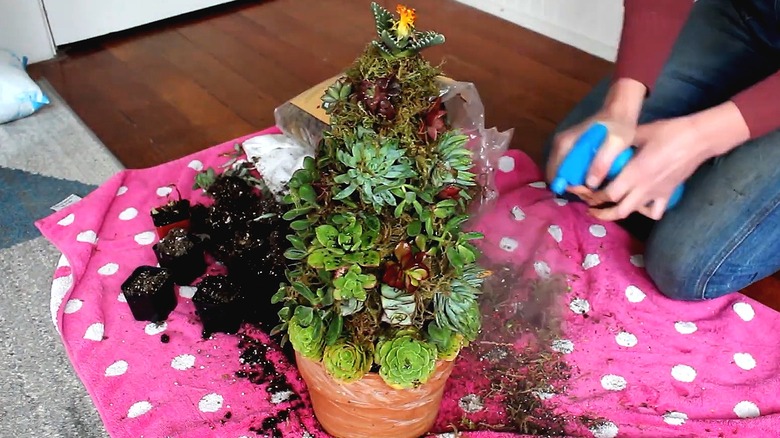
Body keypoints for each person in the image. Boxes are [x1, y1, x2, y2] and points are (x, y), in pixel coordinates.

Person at [543, 0, 780, 301]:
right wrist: (621, 108)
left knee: (683, 267)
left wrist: (700, 138)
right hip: (751, 13)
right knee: (578, 165)